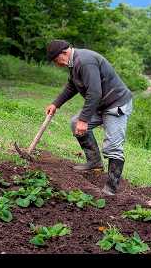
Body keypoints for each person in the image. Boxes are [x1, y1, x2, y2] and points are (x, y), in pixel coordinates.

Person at [45, 40, 133, 196]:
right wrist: (56, 104)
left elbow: (94, 92)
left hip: (115, 104)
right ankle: (94, 162)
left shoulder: (84, 61)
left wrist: (84, 120)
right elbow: (72, 85)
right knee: (74, 123)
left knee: (112, 147)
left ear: (64, 53)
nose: (56, 64)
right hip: (100, 104)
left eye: (55, 60)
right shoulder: (74, 63)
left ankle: (111, 188)